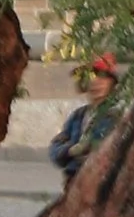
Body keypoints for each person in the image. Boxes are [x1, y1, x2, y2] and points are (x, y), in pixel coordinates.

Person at [50, 55, 120, 184]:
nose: (96, 82)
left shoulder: (118, 117)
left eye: (103, 78)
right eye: (91, 77)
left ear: (111, 84)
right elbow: (55, 149)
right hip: (74, 182)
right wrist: (70, 150)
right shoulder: (78, 116)